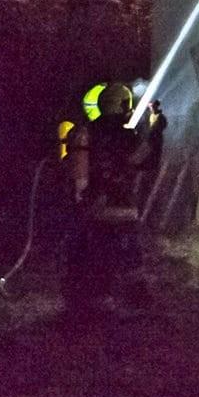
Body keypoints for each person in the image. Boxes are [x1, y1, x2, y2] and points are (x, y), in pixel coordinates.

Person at [63, 82, 159, 312]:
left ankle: (98, 298)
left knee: (95, 255)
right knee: (129, 256)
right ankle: (135, 300)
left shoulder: (86, 131)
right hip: (122, 208)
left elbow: (76, 174)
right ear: (123, 104)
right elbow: (145, 160)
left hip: (93, 208)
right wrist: (155, 131)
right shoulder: (127, 136)